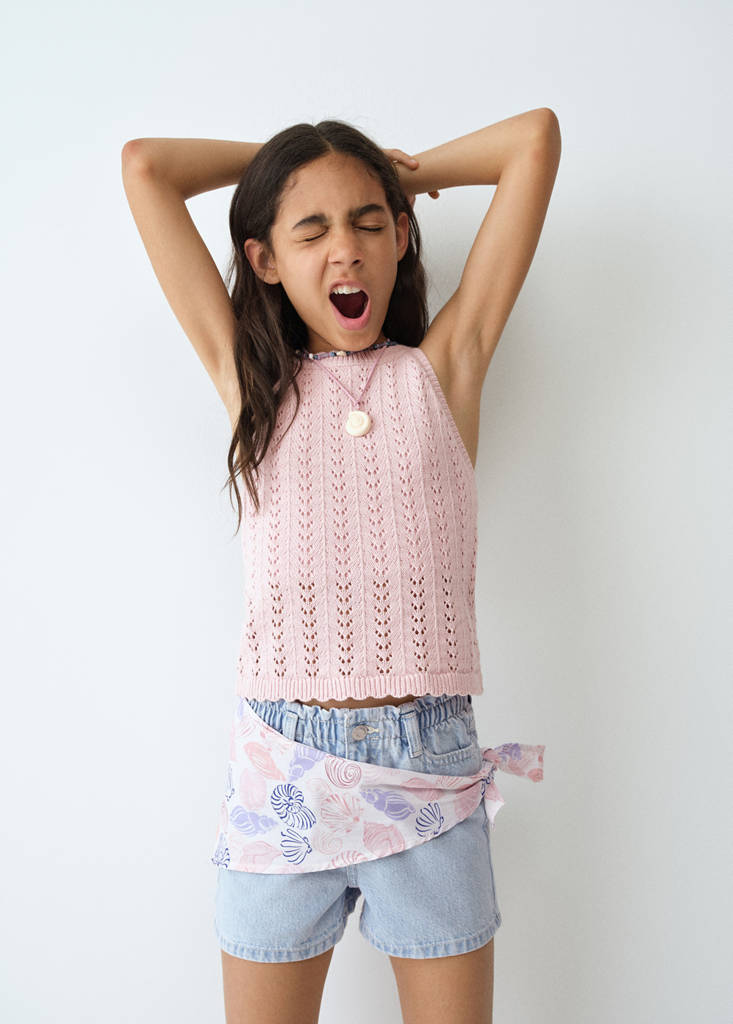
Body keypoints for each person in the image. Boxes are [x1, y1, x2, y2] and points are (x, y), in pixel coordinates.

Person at [121, 109, 560, 1024]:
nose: (345, 249)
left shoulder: (443, 370)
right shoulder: (255, 386)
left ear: (401, 234)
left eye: (366, 221)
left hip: (427, 767)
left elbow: (532, 141)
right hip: (281, 766)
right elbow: (146, 167)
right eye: (310, 229)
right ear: (264, 259)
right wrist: (294, 163)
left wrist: (390, 171)